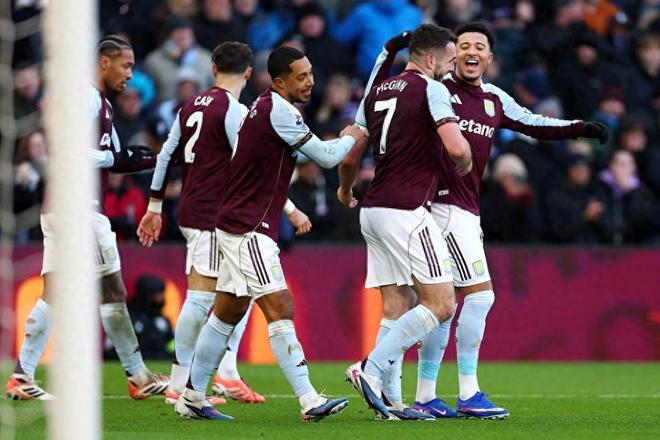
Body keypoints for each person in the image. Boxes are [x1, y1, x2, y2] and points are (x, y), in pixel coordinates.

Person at [352, 21, 609, 419]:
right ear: (451, 54)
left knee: (440, 303)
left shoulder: (494, 98)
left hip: (461, 208)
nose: (471, 52)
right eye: (464, 45)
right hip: (441, 207)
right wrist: (389, 53)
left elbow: (534, 123)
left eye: (479, 46)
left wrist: (579, 128)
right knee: (477, 296)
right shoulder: (435, 88)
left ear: (490, 57)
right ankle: (464, 391)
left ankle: (422, 395)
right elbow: (384, 97)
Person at [173, 46, 363, 421]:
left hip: (237, 222)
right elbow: (327, 158)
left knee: (227, 312)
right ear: (278, 82)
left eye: (310, 74)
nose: (310, 82)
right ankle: (308, 399)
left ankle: (192, 397)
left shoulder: (265, 105)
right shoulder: (279, 110)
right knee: (280, 308)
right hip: (248, 228)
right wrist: (351, 136)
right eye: (301, 77)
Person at [137, 42, 312, 407]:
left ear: (214, 68)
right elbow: (252, 168)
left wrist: (154, 205)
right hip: (216, 214)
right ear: (248, 73)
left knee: (238, 293)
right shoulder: (235, 111)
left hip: (191, 208)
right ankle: (180, 383)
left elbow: (166, 154)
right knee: (202, 298)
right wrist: (291, 210)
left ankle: (226, 373)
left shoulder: (190, 105)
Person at [6, 35, 169, 401]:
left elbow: (115, 157)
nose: (130, 74)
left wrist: (151, 159)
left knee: (56, 292)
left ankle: (21, 376)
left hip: (59, 207)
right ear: (104, 62)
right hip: (79, 207)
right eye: (126, 65)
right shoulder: (87, 97)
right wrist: (117, 158)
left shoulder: (100, 103)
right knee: (112, 290)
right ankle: (138, 376)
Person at [338, 24, 473, 421]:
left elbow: (350, 156)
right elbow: (456, 147)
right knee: (441, 303)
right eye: (449, 60)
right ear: (430, 58)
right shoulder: (432, 89)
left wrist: (345, 190)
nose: (451, 68)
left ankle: (392, 402)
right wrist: (465, 160)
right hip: (407, 210)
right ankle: (370, 368)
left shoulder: (377, 91)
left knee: (398, 304)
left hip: (373, 210)